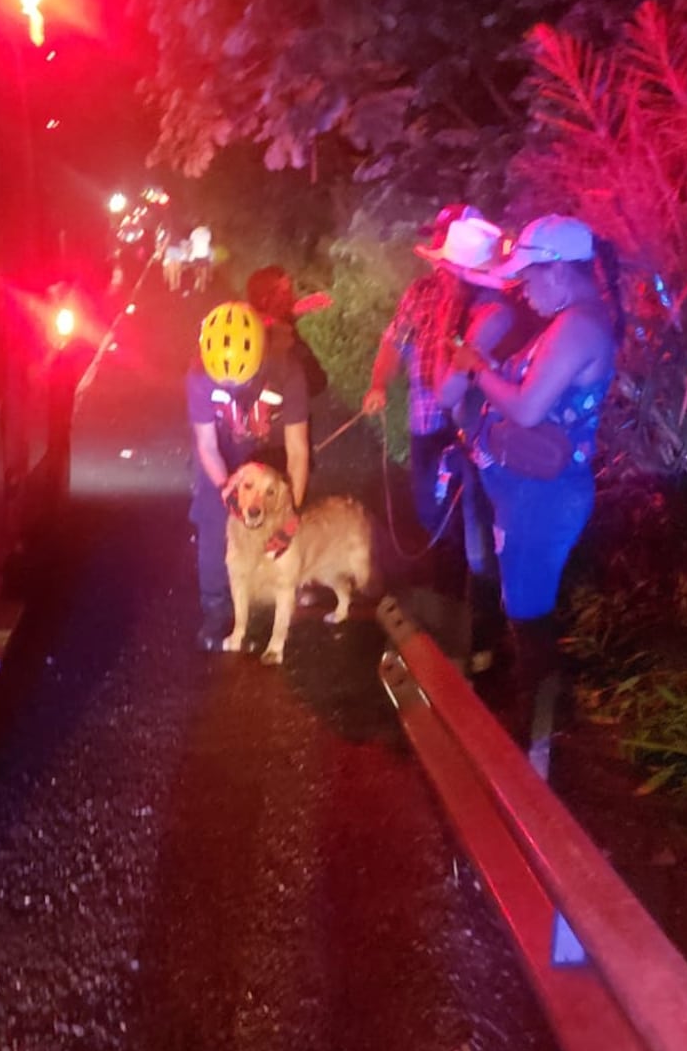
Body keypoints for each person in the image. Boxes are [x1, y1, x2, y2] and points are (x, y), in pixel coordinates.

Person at [443, 214, 621, 773]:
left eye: (530, 277)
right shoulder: (574, 319)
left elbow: (524, 407)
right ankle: (539, 733)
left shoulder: (578, 327)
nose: (523, 289)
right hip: (531, 493)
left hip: (546, 497)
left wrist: (476, 369)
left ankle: (536, 749)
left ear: (561, 272)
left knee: (529, 614)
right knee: (524, 608)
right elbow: (526, 391)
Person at [362, 207, 515, 662]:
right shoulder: (422, 294)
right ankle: (454, 631)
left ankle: (481, 637)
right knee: (436, 521)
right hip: (430, 427)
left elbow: (464, 383)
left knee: (479, 534)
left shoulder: (490, 308)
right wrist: (377, 383)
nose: (441, 266)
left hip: (481, 435)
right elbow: (393, 342)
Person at [186, 301, 311, 651]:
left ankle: (278, 587)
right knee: (213, 518)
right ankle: (215, 607)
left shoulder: (287, 371)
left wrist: (291, 516)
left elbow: (298, 451)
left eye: (239, 378)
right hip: (224, 444)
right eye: (222, 379)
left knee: (279, 508)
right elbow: (207, 445)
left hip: (266, 442)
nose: (230, 384)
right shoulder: (198, 373)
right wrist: (227, 488)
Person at [245, 265, 331, 398]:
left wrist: (302, 306)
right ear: (266, 300)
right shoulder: (281, 339)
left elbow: (281, 311)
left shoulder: (247, 324)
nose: (292, 295)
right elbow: (316, 382)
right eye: (284, 292)